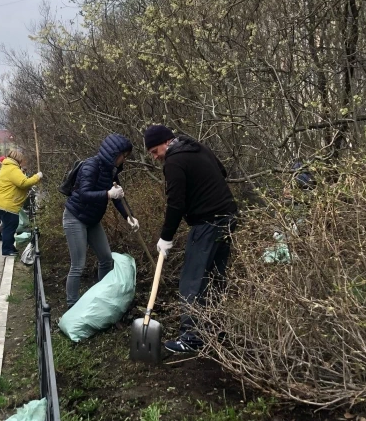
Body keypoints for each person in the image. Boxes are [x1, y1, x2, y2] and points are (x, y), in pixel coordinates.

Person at [144, 125, 238, 353]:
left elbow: (176, 204)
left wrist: (166, 237)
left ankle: (192, 337)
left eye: (155, 151)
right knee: (215, 275)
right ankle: (216, 328)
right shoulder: (197, 148)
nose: (156, 157)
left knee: (193, 278)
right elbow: (222, 172)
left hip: (207, 222)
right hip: (228, 216)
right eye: (152, 154)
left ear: (166, 142)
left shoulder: (174, 162)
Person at [63, 133, 138, 308]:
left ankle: (101, 297)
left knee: (106, 258)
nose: (123, 160)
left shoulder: (111, 170)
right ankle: (71, 305)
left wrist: (130, 216)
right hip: (75, 218)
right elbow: (84, 194)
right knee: (78, 265)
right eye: (123, 156)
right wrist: (107, 194)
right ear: (114, 153)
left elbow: (117, 196)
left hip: (92, 220)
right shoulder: (91, 165)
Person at [0, 150, 42, 256]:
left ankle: (9, 246)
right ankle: (7, 250)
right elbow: (23, 183)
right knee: (10, 225)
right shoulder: (13, 168)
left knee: (9, 224)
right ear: (18, 159)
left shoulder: (7, 166)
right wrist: (37, 177)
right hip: (6, 202)